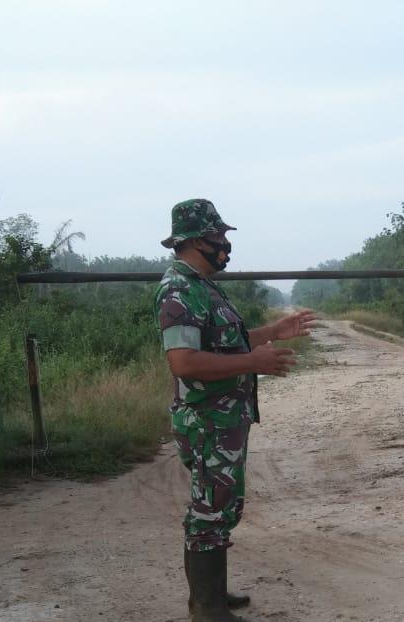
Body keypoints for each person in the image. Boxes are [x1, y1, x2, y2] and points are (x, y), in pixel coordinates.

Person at [154, 198, 316, 622]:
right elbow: (184, 361)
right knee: (210, 508)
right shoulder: (178, 290)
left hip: (224, 418)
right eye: (218, 237)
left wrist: (271, 334)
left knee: (221, 504)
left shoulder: (204, 285)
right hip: (206, 420)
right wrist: (253, 362)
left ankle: (213, 595)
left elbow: (225, 344)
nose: (225, 245)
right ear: (192, 241)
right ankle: (206, 610)